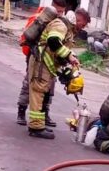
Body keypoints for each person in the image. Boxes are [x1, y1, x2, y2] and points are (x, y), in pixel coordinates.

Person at [27, 8, 90, 139]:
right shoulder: (61, 25)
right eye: (82, 24)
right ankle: (35, 127)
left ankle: (40, 125)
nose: (82, 28)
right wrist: (69, 56)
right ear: (77, 20)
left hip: (46, 64)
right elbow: (53, 41)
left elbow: (60, 47)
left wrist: (69, 57)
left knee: (42, 94)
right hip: (41, 63)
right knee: (38, 93)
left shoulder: (67, 28)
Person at [16, 0, 67, 127]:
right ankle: (21, 112)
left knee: (49, 87)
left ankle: (45, 114)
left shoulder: (57, 22)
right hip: (34, 56)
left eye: (62, 12)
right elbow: (26, 37)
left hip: (49, 60)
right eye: (59, 11)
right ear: (53, 7)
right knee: (29, 85)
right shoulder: (39, 18)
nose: (60, 14)